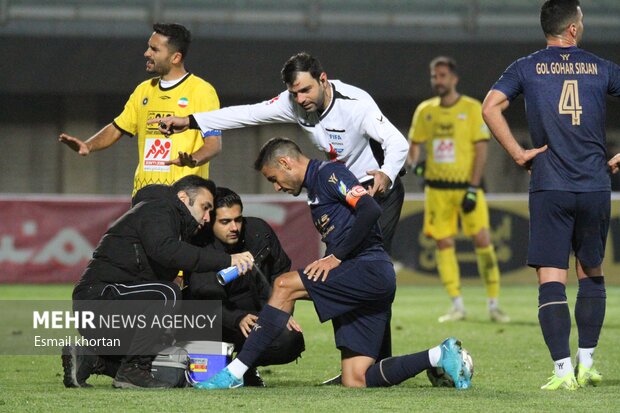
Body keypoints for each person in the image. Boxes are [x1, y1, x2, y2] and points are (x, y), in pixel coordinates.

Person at [151, 51, 408, 378]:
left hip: (376, 194)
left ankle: (377, 361)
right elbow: (247, 114)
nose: (300, 99)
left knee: (366, 273)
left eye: (305, 90)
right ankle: (359, 363)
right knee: (333, 277)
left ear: (323, 80)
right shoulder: (294, 101)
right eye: (294, 93)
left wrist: (385, 174)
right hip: (342, 196)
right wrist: (191, 121)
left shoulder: (356, 104)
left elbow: (397, 142)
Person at [193, 137, 472, 390]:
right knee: (357, 378)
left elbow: (370, 209)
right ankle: (439, 355)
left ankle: (235, 372)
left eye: (274, 178)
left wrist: (336, 256)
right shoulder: (315, 188)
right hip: (365, 277)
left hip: (368, 268)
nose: (276, 186)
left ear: (285, 162)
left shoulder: (329, 174)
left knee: (283, 285)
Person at [482, 0, 620, 390]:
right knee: (591, 272)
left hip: (550, 186)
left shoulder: (526, 67)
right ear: (573, 30)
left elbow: (491, 107)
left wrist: (518, 153)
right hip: (594, 186)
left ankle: (562, 372)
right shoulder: (600, 67)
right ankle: (587, 363)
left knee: (551, 279)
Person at [62, 175, 254, 389]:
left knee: (167, 369)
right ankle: (134, 370)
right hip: (98, 301)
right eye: (205, 207)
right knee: (166, 294)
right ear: (183, 198)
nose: (208, 217)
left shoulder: (170, 221)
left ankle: (90, 358)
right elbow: (166, 250)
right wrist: (227, 260)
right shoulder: (159, 209)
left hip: (111, 305)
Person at [58, 23, 222, 197]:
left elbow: (213, 144)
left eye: (154, 49)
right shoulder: (143, 90)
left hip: (184, 197)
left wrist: (193, 159)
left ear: (175, 58)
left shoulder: (201, 91)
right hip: (144, 195)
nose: (146, 53)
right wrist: (88, 145)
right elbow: (117, 128)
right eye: (148, 47)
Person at [407, 56, 509, 324]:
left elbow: (481, 150)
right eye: (434, 76)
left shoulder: (473, 108)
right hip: (437, 190)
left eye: (442, 76)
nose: (437, 81)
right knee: (443, 244)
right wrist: (416, 166)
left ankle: (494, 304)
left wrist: (474, 187)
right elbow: (413, 147)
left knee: (484, 242)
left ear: (454, 78)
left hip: (467, 188)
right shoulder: (425, 111)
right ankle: (457, 305)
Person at [188, 187, 305, 386]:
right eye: (225, 222)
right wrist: (237, 318)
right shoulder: (199, 245)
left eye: (238, 219)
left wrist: (280, 313)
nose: (234, 227)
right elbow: (200, 299)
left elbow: (281, 272)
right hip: (212, 324)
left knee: (289, 340)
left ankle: (243, 367)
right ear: (210, 221)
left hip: (256, 319)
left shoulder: (259, 233)